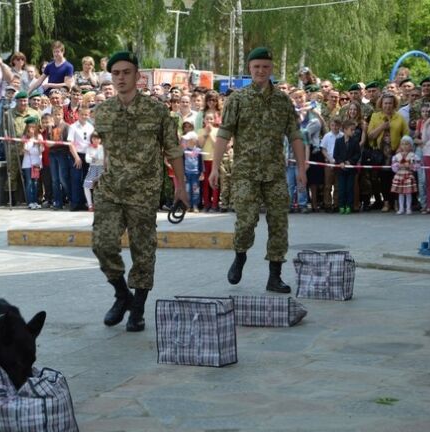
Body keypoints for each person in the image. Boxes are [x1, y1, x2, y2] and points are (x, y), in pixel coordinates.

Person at [92, 51, 188, 332]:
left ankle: (138, 308)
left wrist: (180, 187)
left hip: (144, 192)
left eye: (126, 72)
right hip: (111, 190)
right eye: (116, 73)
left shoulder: (157, 111)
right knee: (102, 244)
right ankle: (122, 295)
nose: (121, 78)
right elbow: (107, 151)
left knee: (143, 251)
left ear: (138, 76)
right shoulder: (104, 111)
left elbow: (173, 150)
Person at [208, 47, 306, 293]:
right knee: (245, 222)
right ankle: (240, 256)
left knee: (279, 224)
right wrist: (215, 167)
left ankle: (275, 276)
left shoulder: (283, 101)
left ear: (271, 69)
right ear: (250, 69)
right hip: (245, 173)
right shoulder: (238, 99)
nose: (261, 71)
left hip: (274, 173)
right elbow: (223, 134)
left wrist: (302, 168)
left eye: (265, 66)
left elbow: (295, 136)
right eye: (256, 67)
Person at [333, 120, 361, 214]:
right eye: (351, 130)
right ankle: (341, 205)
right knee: (341, 188)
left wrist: (350, 161)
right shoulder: (338, 141)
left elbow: (358, 154)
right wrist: (340, 162)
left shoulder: (355, 141)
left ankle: (349, 205)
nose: (353, 132)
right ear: (345, 130)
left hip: (351, 170)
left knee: (349, 188)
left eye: (354, 130)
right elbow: (335, 155)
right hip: (341, 170)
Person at [391, 135, 420, 215]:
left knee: (408, 193)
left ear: (411, 146)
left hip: (408, 175)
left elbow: (417, 166)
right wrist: (397, 165)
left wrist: (411, 166)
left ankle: (408, 208)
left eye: (407, 144)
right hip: (399, 175)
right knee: (400, 193)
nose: (404, 146)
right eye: (403, 144)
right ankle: (401, 208)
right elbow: (393, 167)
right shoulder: (397, 156)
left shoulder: (413, 156)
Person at [21, 116, 43, 209]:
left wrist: (39, 144)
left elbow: (41, 150)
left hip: (36, 163)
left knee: (35, 183)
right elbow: (26, 150)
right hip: (27, 164)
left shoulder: (39, 136)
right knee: (29, 183)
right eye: (30, 127)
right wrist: (30, 140)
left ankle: (35, 201)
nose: (32, 129)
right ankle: (30, 202)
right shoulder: (24, 137)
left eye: (34, 127)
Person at [182, 131, 204, 213]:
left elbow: (201, 162)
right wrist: (183, 173)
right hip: (187, 173)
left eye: (188, 140)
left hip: (195, 173)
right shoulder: (184, 151)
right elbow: (182, 162)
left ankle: (195, 206)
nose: (186, 142)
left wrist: (201, 172)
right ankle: (189, 206)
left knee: (195, 190)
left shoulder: (198, 151)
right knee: (188, 190)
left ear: (194, 140)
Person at [83, 132, 104, 212]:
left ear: (100, 139)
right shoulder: (89, 148)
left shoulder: (102, 147)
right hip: (92, 168)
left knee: (101, 186)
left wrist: (94, 158)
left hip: (101, 168)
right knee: (86, 185)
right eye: (94, 138)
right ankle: (90, 205)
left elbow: (101, 157)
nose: (95, 140)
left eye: (97, 138)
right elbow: (87, 159)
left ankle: (100, 204)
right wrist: (95, 158)